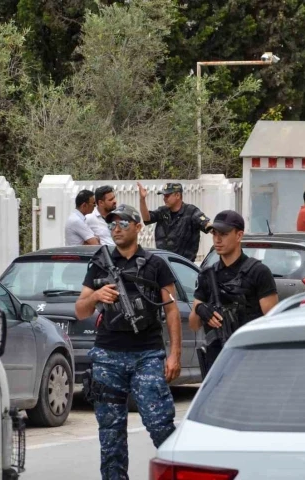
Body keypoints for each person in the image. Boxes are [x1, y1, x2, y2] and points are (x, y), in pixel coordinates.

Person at [75, 204, 181, 480]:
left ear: (138, 227)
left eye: (123, 223)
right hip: (108, 355)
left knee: (160, 425)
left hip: (147, 354)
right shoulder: (100, 263)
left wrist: (174, 355)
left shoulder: (156, 265)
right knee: (110, 436)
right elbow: (80, 310)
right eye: (112, 224)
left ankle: (182, 473)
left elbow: (171, 309)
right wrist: (97, 295)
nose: (117, 228)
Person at [189, 210, 278, 372]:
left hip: (250, 358)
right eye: (214, 233)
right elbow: (194, 324)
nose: (217, 239)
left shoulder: (258, 272)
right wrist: (201, 310)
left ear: (239, 236)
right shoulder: (207, 275)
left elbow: (272, 323)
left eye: (223, 234)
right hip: (216, 362)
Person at [137, 182, 211, 262]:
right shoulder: (162, 211)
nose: (164, 198)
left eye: (167, 196)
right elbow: (147, 218)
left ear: (178, 195)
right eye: (164, 196)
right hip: (164, 263)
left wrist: (216, 230)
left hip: (183, 265)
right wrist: (142, 199)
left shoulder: (191, 211)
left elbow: (206, 224)